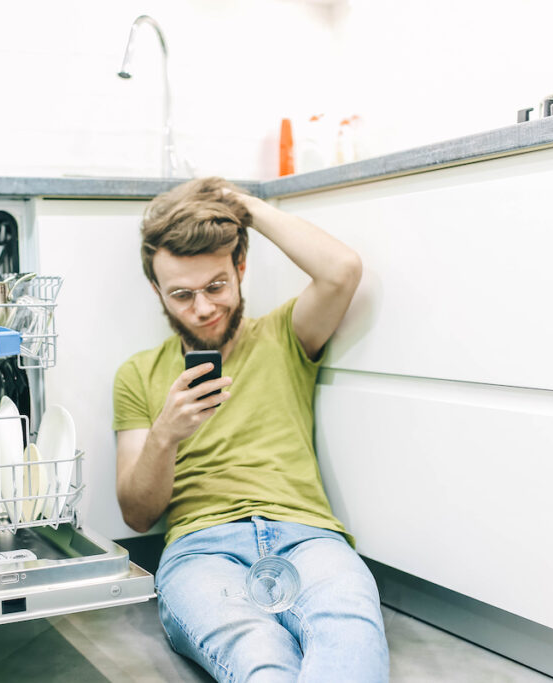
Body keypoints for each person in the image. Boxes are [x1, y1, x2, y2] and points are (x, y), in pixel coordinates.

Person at [112, 177, 389, 682]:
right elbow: (136, 514)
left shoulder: (286, 334)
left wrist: (241, 206)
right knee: (258, 656)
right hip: (201, 549)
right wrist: (166, 435)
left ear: (241, 268)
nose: (202, 308)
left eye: (216, 286)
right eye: (181, 294)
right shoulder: (139, 374)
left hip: (309, 537)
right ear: (156, 291)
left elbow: (342, 270)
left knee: (348, 638)